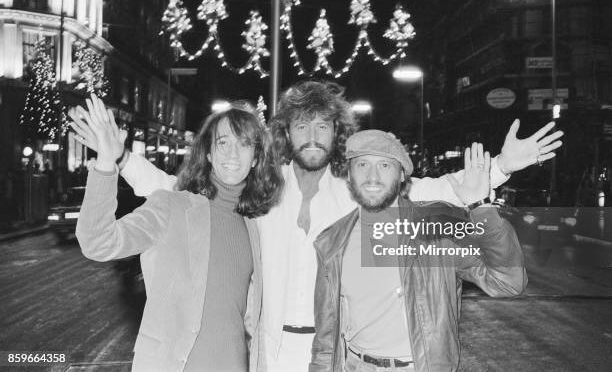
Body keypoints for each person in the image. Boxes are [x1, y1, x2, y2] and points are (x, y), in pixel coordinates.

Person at [69, 80, 561, 371]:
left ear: (336, 133)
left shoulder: (358, 189)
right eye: (300, 125)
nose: (311, 136)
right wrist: (118, 159)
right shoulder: (262, 190)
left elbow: (438, 189)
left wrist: (500, 168)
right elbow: (177, 192)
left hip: (332, 352)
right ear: (285, 133)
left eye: (322, 125)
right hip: (267, 347)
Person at [74, 96, 283, 372]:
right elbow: (97, 243)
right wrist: (106, 160)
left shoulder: (253, 225)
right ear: (208, 153)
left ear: (256, 158)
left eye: (244, 144)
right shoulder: (173, 207)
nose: (233, 155)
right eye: (223, 143)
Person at [309, 130, 527, 372]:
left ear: (402, 175)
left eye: (384, 164)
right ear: (349, 175)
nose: (372, 176)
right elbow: (326, 339)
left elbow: (507, 282)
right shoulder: (332, 242)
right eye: (362, 164)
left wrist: (480, 207)